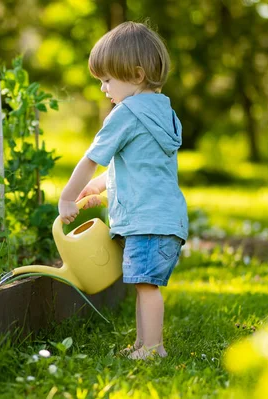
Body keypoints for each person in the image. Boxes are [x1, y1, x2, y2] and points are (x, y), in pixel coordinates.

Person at [58, 21, 188, 360]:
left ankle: (153, 347)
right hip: (166, 217)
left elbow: (92, 158)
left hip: (146, 221)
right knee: (143, 283)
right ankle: (142, 344)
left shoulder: (126, 112)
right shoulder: (164, 112)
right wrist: (100, 187)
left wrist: (67, 197)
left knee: (146, 287)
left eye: (106, 80)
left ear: (137, 74)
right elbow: (138, 164)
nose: (103, 89)